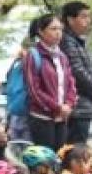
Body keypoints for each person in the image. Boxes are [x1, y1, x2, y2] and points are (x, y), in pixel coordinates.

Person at [24, 14, 77, 152]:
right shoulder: (33, 55)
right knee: (45, 162)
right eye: (53, 29)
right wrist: (57, 107)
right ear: (41, 31)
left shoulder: (62, 56)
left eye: (60, 29)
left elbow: (70, 83)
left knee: (60, 158)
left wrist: (69, 104)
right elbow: (34, 90)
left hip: (62, 118)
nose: (58, 33)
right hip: (42, 119)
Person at [59, 1, 92, 144]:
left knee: (80, 149)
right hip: (77, 105)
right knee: (75, 151)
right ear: (70, 20)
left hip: (84, 104)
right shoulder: (67, 42)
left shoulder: (77, 41)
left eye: (88, 17)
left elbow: (88, 68)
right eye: (83, 17)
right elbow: (77, 72)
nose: (88, 21)